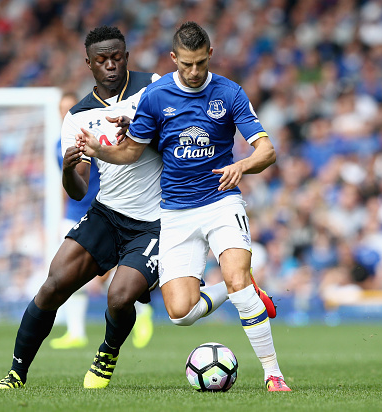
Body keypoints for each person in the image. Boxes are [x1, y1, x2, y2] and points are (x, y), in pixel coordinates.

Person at [77, 22, 291, 392]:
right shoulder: (156, 96)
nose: (194, 73)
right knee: (180, 314)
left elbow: (267, 150)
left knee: (239, 280)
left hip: (221, 201)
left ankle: (274, 375)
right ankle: (237, 287)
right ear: (174, 59)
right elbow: (132, 150)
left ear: (210, 54)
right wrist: (99, 150)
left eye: (200, 64)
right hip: (175, 212)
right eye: (186, 65)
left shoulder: (230, 92)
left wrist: (242, 165)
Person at [0, 26, 162, 390]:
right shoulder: (78, 117)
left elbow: (173, 138)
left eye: (117, 57)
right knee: (54, 284)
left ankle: (107, 354)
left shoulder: (153, 87)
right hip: (107, 213)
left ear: (126, 57)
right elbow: (78, 191)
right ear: (89, 64)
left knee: (118, 296)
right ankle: (16, 374)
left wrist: (141, 130)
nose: (111, 66)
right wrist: (68, 168)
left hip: (156, 221)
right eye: (102, 60)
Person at [49, 92, 155, 351]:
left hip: (106, 209)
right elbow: (70, 183)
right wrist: (61, 215)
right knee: (67, 274)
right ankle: (76, 331)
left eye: (68, 108)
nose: (67, 113)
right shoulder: (58, 145)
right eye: (62, 109)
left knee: (109, 272)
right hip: (74, 211)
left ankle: (142, 313)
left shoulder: (99, 134)